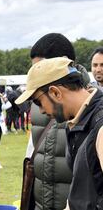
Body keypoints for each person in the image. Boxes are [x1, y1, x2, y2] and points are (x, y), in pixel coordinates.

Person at [15, 57, 103, 210]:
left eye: (37, 102)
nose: (41, 110)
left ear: (55, 93)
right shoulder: (76, 122)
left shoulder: (100, 125)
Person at [25, 33, 90, 210]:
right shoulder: (38, 105)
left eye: (42, 68)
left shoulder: (91, 108)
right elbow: (32, 155)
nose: (35, 76)